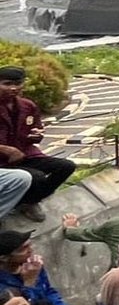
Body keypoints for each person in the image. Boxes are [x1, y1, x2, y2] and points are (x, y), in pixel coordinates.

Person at [0, 67, 76, 221]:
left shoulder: (28, 106)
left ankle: (29, 201)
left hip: (25, 154)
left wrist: (36, 135)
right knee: (37, 176)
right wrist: (6, 150)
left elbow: (35, 130)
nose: (13, 88)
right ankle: (18, 200)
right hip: (2, 161)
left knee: (66, 166)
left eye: (18, 83)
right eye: (7, 84)